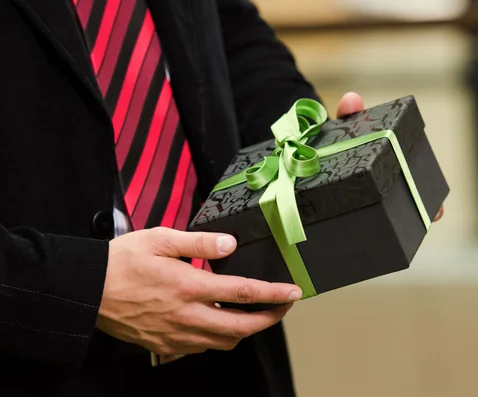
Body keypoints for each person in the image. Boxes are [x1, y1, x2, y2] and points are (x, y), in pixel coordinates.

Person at [0, 0, 444, 395]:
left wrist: (312, 151)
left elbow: (230, 30)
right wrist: (78, 287)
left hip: (229, 352)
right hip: (38, 359)